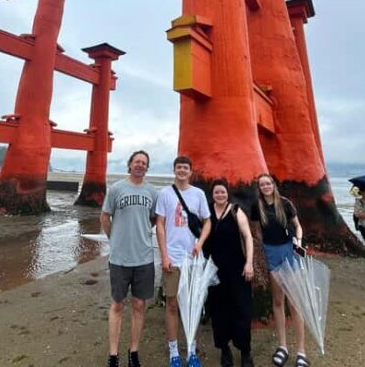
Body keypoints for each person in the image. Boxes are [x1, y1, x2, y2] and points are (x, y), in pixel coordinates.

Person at [101, 150, 159, 367]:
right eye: (137, 161)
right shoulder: (116, 189)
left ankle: (133, 352)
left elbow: (153, 219)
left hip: (144, 257)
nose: (140, 165)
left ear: (147, 167)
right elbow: (105, 216)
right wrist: (113, 237)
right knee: (117, 304)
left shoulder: (152, 192)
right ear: (130, 164)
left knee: (139, 304)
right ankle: (113, 355)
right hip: (119, 258)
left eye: (144, 162)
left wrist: (141, 232)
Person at [155, 156, 211, 367]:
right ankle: (173, 352)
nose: (182, 171)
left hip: (194, 259)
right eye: (178, 167)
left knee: (193, 305)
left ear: (190, 171)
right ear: (174, 170)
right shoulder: (164, 193)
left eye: (185, 168)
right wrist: (164, 255)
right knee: (171, 303)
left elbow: (207, 221)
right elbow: (159, 225)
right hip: (173, 258)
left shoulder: (199, 194)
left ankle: (192, 350)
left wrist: (200, 243)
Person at [252, 173, 309, 367]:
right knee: (278, 301)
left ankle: (301, 350)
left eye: (268, 183)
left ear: (273, 185)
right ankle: (282, 346)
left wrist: (298, 242)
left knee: (294, 302)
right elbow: (257, 230)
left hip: (288, 250)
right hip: (271, 252)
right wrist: (261, 248)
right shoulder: (256, 206)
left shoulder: (285, 203)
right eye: (262, 184)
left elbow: (297, 226)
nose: (265, 186)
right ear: (259, 188)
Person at [203, 179, 254, 367]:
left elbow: (248, 237)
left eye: (223, 192)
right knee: (219, 311)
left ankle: (245, 351)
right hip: (215, 271)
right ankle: (224, 350)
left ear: (228, 193)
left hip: (238, 268)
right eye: (216, 192)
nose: (220, 195)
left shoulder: (236, 211)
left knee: (242, 310)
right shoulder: (207, 212)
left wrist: (249, 263)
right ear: (212, 194)